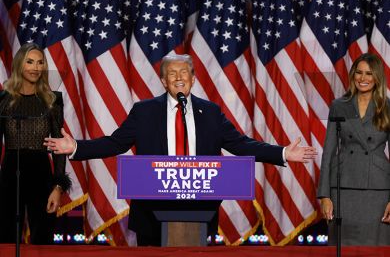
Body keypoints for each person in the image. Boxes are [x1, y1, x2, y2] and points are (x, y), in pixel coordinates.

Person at [44, 54, 317, 246]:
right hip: (152, 211)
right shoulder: (144, 111)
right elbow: (116, 143)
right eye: (171, 73)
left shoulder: (210, 113)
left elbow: (240, 144)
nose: (178, 78)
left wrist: (282, 153)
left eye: (183, 72)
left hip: (198, 208)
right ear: (163, 81)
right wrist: (76, 146)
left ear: (193, 78)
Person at [0, 43, 71, 244]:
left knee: (43, 239)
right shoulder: (4, 100)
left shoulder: (52, 100)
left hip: (41, 174)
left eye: (40, 62)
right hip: (10, 173)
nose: (35, 67)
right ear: (19, 65)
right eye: (30, 62)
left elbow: (59, 148)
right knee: (5, 238)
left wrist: (58, 186)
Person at [317, 53, 390, 245]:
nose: (363, 78)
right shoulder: (339, 106)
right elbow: (328, 151)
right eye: (359, 73)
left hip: (377, 190)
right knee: (343, 247)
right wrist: (324, 194)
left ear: (377, 77)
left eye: (369, 73)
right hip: (343, 188)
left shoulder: (387, 107)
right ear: (352, 75)